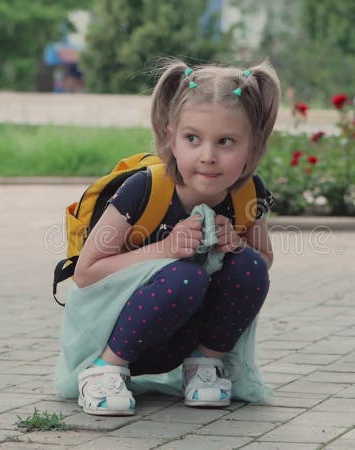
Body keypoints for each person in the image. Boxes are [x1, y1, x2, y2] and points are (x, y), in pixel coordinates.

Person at [70, 58, 280, 416]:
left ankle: (205, 366)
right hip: (119, 334)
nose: (208, 156)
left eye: (226, 141)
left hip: (185, 337)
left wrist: (236, 244)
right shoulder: (144, 189)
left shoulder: (247, 192)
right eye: (192, 139)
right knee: (185, 275)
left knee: (249, 266)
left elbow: (264, 260)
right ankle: (104, 371)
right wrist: (163, 249)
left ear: (253, 143)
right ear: (170, 136)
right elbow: (85, 272)